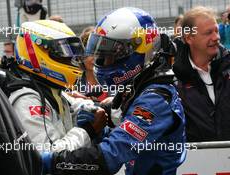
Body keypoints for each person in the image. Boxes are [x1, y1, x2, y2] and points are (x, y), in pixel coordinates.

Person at [42, 7, 186, 175]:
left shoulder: (155, 101)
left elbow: (110, 157)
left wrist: (50, 161)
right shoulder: (138, 90)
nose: (104, 62)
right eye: (102, 55)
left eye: (112, 55)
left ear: (140, 50)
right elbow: (119, 131)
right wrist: (97, 120)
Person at [8, 20, 107, 153]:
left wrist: (103, 108)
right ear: (36, 52)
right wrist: (88, 131)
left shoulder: (53, 90)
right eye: (62, 53)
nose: (70, 60)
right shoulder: (26, 100)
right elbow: (48, 154)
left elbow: (79, 105)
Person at [173, 6, 230, 142]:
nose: (216, 37)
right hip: (197, 161)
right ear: (189, 38)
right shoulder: (174, 81)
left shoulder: (227, 67)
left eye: (216, 31)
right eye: (208, 33)